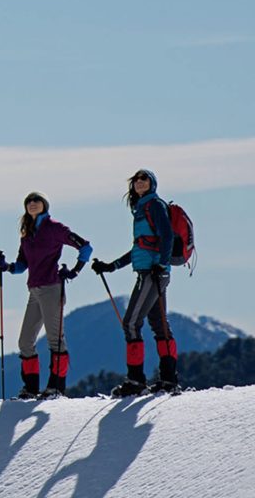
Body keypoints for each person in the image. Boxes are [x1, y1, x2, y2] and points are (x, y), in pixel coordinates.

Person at [0, 192, 92, 399]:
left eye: (36, 200)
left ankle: (56, 388)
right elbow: (21, 266)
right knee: (25, 342)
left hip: (51, 289)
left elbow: (85, 247)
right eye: (28, 201)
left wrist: (75, 271)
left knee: (55, 340)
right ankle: (31, 389)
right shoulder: (27, 234)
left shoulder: (55, 228)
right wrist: (6, 266)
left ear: (45, 205)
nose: (32, 203)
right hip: (34, 291)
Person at [92, 169, 180, 396]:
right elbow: (141, 247)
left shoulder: (154, 205)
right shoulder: (142, 209)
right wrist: (111, 266)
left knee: (130, 323)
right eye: (136, 179)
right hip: (152, 271)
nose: (140, 182)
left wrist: (160, 264)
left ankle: (136, 380)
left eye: (145, 179)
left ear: (152, 184)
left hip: (152, 273)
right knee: (159, 324)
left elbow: (167, 236)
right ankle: (168, 379)